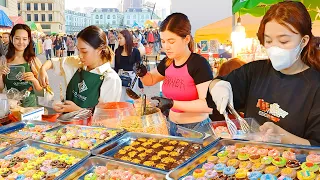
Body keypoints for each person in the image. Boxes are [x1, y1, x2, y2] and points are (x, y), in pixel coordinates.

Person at [208, 1, 320, 145]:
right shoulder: (255, 71)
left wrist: (281, 136)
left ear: (303, 41)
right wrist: (217, 86)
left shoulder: (315, 86)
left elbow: (317, 146)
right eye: (268, 41)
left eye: (284, 41)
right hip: (250, 160)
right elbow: (216, 85)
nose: (275, 48)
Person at [135, 13, 213, 136]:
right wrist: (143, 73)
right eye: (163, 41)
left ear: (186, 39)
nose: (166, 47)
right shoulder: (167, 62)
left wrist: (173, 103)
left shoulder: (198, 64)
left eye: (171, 41)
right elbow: (150, 80)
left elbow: (208, 105)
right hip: (172, 126)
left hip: (197, 129)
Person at [39, 25, 121, 113]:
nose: (80, 56)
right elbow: (53, 62)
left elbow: (107, 115)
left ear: (99, 50)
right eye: (78, 51)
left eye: (84, 51)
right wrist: (42, 69)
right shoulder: (77, 63)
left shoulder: (111, 79)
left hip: (91, 126)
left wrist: (77, 110)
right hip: (68, 123)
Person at [0, 24, 43, 107]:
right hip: (11, 107)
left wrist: (34, 80)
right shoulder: (3, 61)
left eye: (24, 39)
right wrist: (0, 74)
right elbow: (1, 89)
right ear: (11, 39)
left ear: (28, 40)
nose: (21, 42)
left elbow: (41, 89)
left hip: (30, 109)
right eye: (17, 38)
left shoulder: (33, 61)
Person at [114, 30, 141, 102]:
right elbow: (116, 67)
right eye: (118, 38)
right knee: (120, 99)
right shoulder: (117, 51)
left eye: (120, 38)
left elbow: (139, 68)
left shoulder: (135, 51)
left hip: (132, 78)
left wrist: (140, 84)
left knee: (130, 99)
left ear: (126, 38)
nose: (118, 40)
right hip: (120, 77)